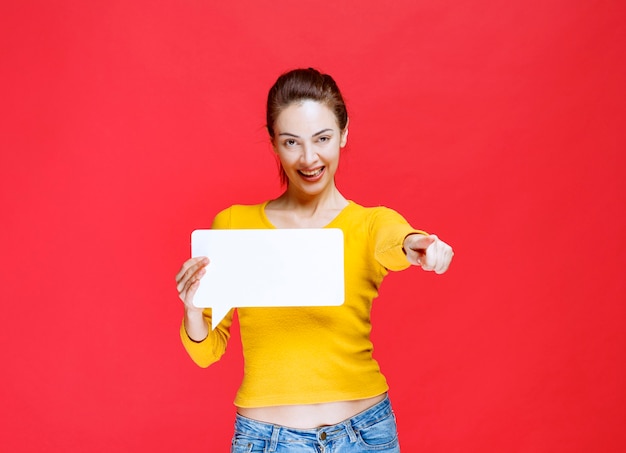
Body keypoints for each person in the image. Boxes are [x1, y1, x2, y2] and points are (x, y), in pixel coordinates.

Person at [175, 68, 453, 452]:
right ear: (273, 143)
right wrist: (193, 310)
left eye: (322, 138)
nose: (309, 158)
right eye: (292, 142)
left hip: (364, 435)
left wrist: (420, 246)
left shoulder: (370, 224)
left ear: (344, 133)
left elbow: (399, 242)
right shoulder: (233, 225)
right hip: (268, 439)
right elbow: (207, 352)